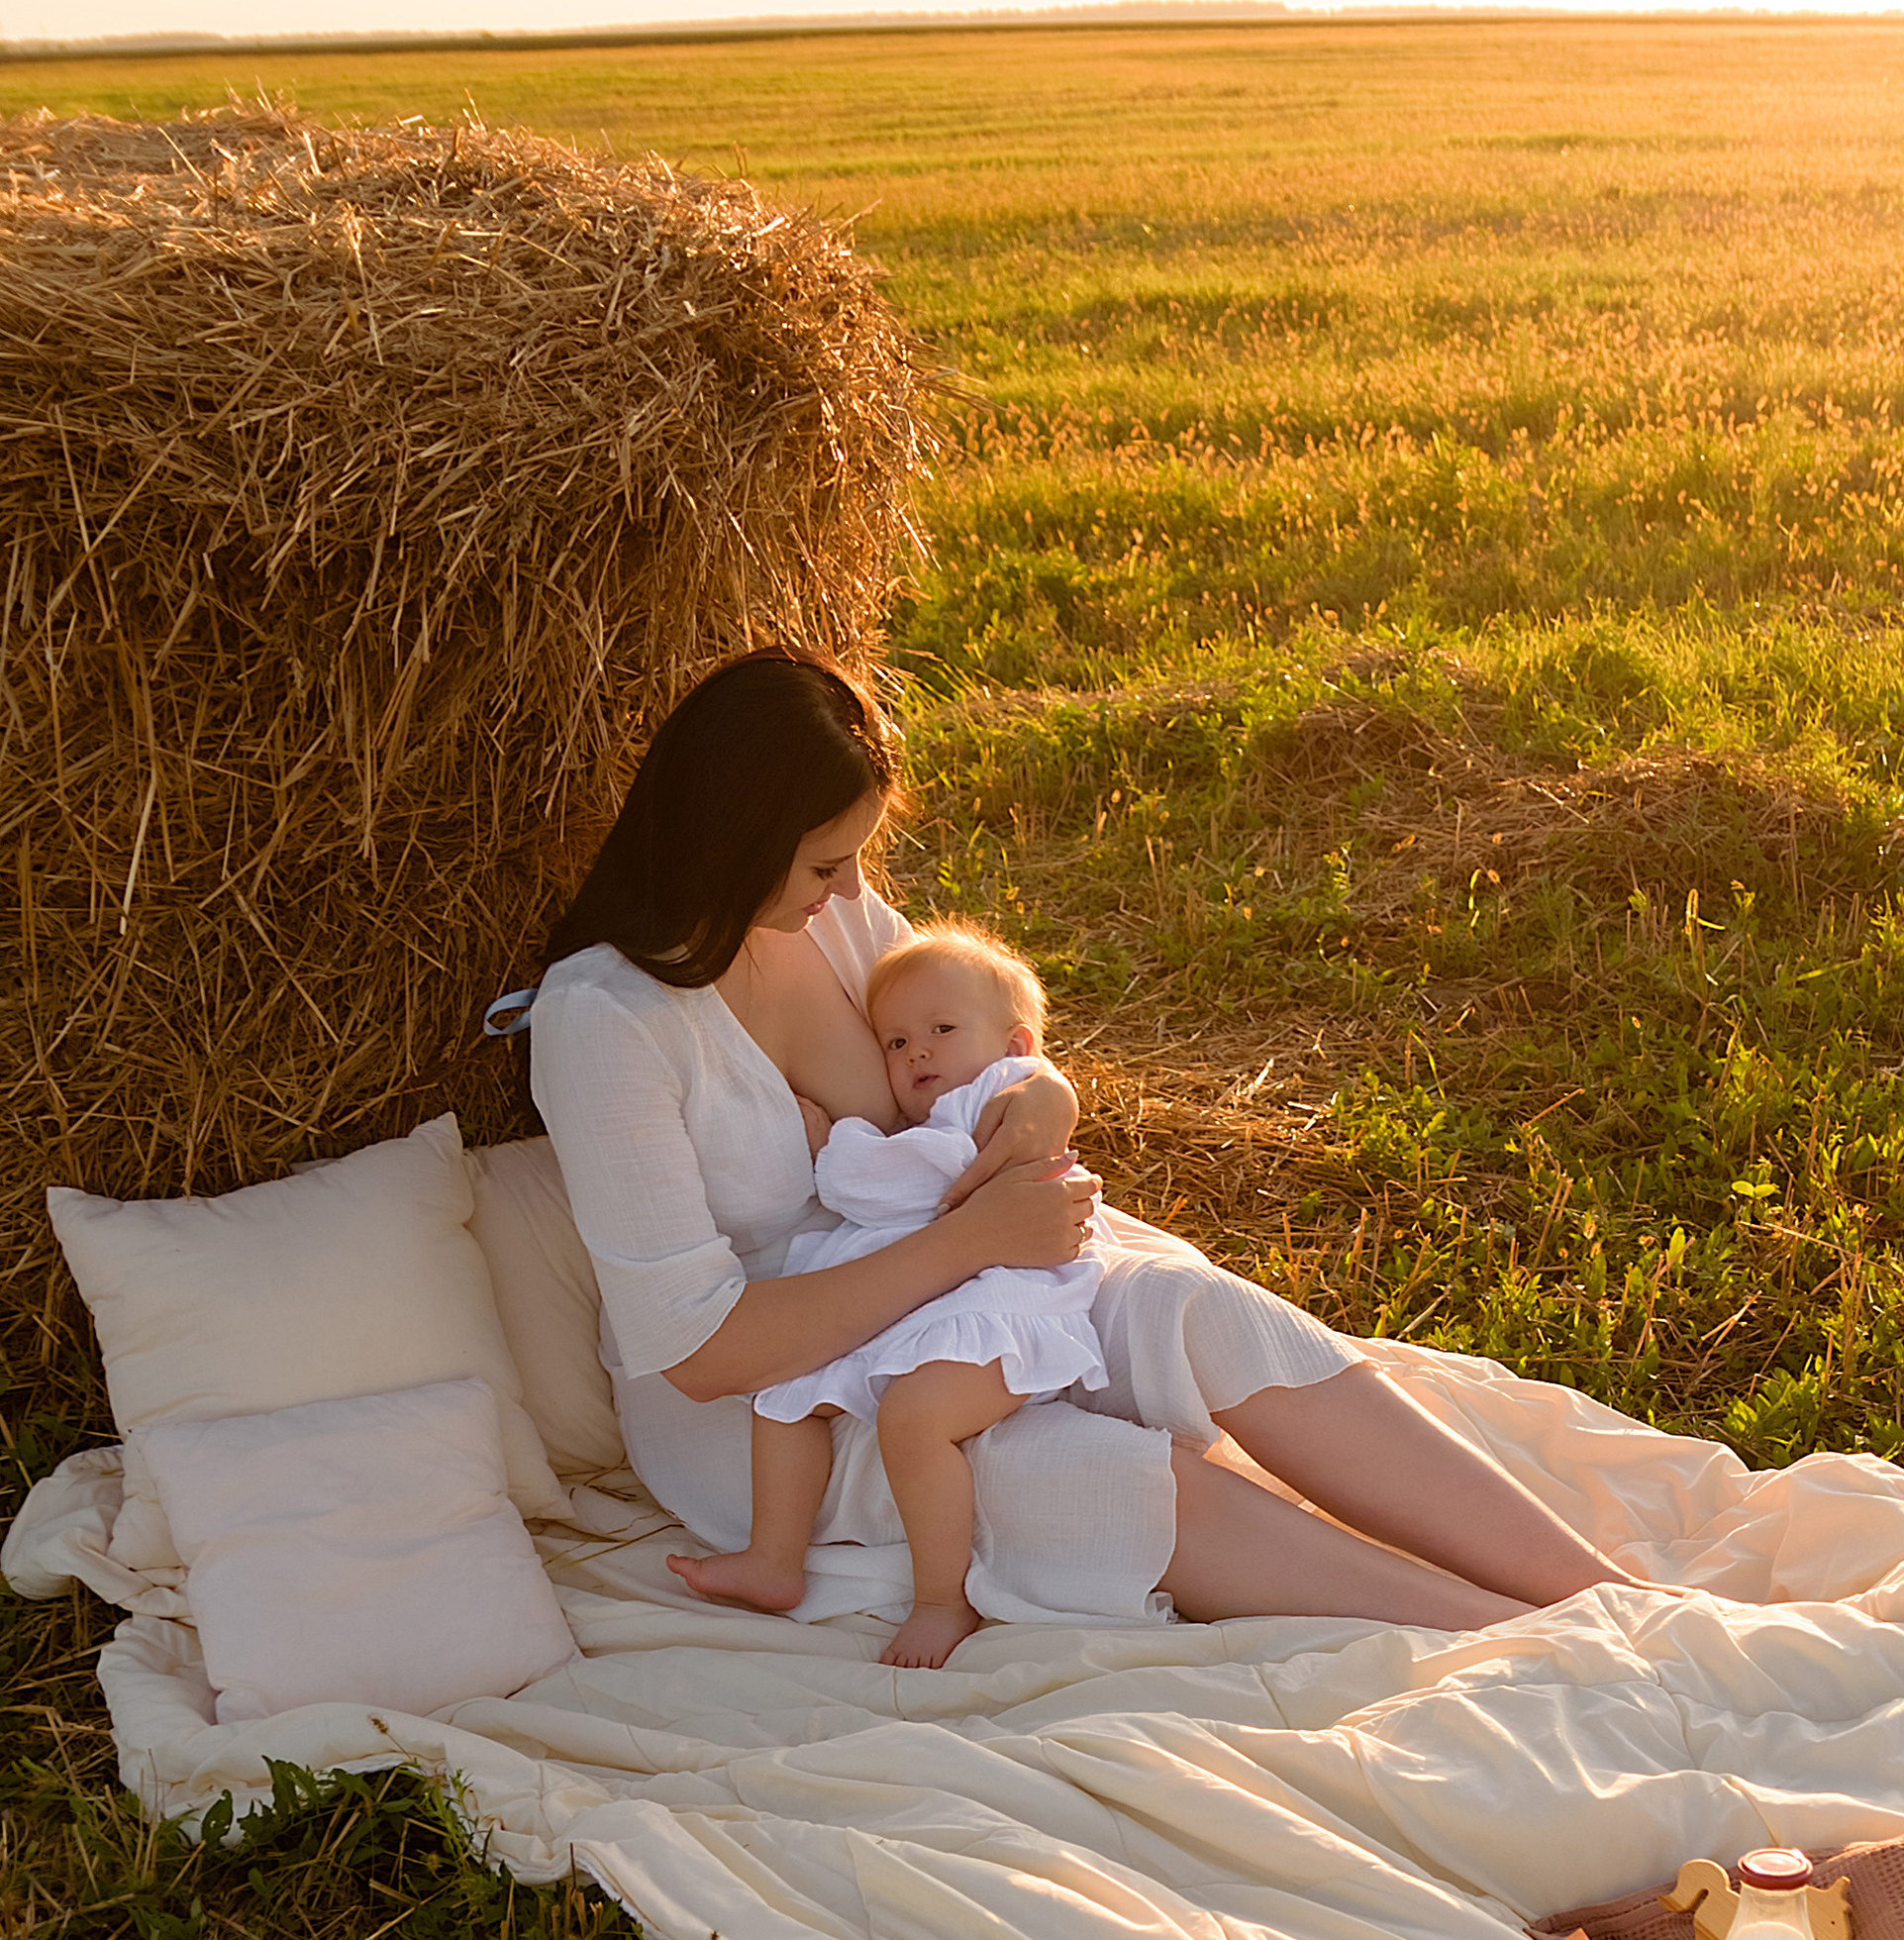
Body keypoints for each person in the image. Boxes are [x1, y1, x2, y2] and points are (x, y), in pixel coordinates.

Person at [525, 647, 1642, 1641]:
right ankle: (1541, 1647)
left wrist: (1045, 1098)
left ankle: (1610, 1599)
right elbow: (701, 1351)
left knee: (1205, 1313)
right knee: (1116, 1478)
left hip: (965, 1279)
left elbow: (980, 1033)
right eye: (826, 864)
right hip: (782, 1408)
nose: (855, 892)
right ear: (735, 839)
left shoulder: (827, 922)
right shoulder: (606, 1021)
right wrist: (970, 1245)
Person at [668, 921, 1122, 1663]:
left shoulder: (1000, 1097)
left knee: (914, 1417)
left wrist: (832, 1147)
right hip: (928, 1291)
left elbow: (917, 1179)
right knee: (784, 1397)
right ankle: (773, 1559)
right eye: (897, 1042)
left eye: (941, 1030)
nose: (918, 1053)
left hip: (1001, 1303)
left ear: (1014, 1048)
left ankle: (943, 1599)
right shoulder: (949, 1107)